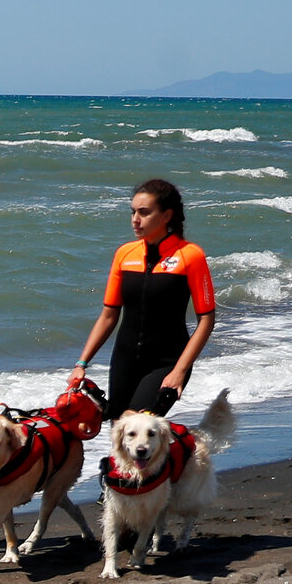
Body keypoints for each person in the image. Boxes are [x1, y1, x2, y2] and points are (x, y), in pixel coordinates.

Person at [66, 179, 217, 418]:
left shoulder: (190, 256)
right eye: (133, 212)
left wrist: (179, 370)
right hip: (125, 361)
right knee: (121, 437)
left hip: (167, 362)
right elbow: (108, 315)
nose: (135, 219)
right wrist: (81, 364)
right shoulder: (125, 254)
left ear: (167, 216)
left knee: (136, 426)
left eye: (144, 212)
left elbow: (206, 320)